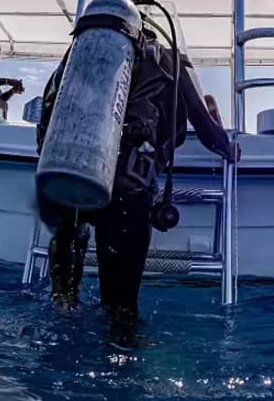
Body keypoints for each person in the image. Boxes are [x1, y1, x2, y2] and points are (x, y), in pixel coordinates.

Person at [37, 17, 232, 316]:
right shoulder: (169, 59)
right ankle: (120, 346)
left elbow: (48, 112)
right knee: (120, 311)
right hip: (129, 186)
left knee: (63, 301)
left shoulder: (80, 55)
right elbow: (206, 129)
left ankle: (64, 303)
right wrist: (229, 148)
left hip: (73, 178)